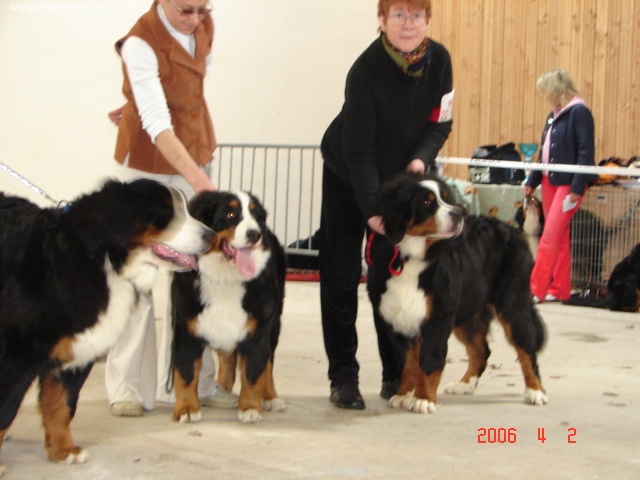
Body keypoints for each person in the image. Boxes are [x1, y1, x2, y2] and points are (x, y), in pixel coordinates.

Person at [319, 0, 454, 410]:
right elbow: (360, 153)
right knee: (342, 275)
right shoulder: (364, 71)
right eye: (398, 15)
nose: (408, 24)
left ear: (427, 20)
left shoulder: (440, 60)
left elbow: (441, 121)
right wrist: (373, 212)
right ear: (382, 20)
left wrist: (421, 159)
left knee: (390, 276)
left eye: (416, 15)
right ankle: (343, 376)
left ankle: (396, 372)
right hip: (348, 176)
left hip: (400, 180)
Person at [105, 0, 237, 416]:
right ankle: (127, 386)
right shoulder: (139, 43)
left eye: (203, 9)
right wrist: (199, 182)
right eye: (186, 10)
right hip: (147, 167)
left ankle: (196, 381)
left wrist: (140, 98)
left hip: (196, 150)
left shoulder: (204, 25)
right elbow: (158, 124)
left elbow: (190, 88)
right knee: (137, 274)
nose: (195, 19)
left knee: (196, 272)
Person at [524, 69, 597, 304]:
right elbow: (543, 151)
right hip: (549, 181)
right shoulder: (553, 115)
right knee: (560, 237)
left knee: (549, 237)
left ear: (556, 90)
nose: (546, 96)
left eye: (547, 91)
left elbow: (586, 152)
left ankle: (536, 289)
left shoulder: (579, 112)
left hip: (568, 184)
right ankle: (559, 289)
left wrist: (577, 188)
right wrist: (532, 180)